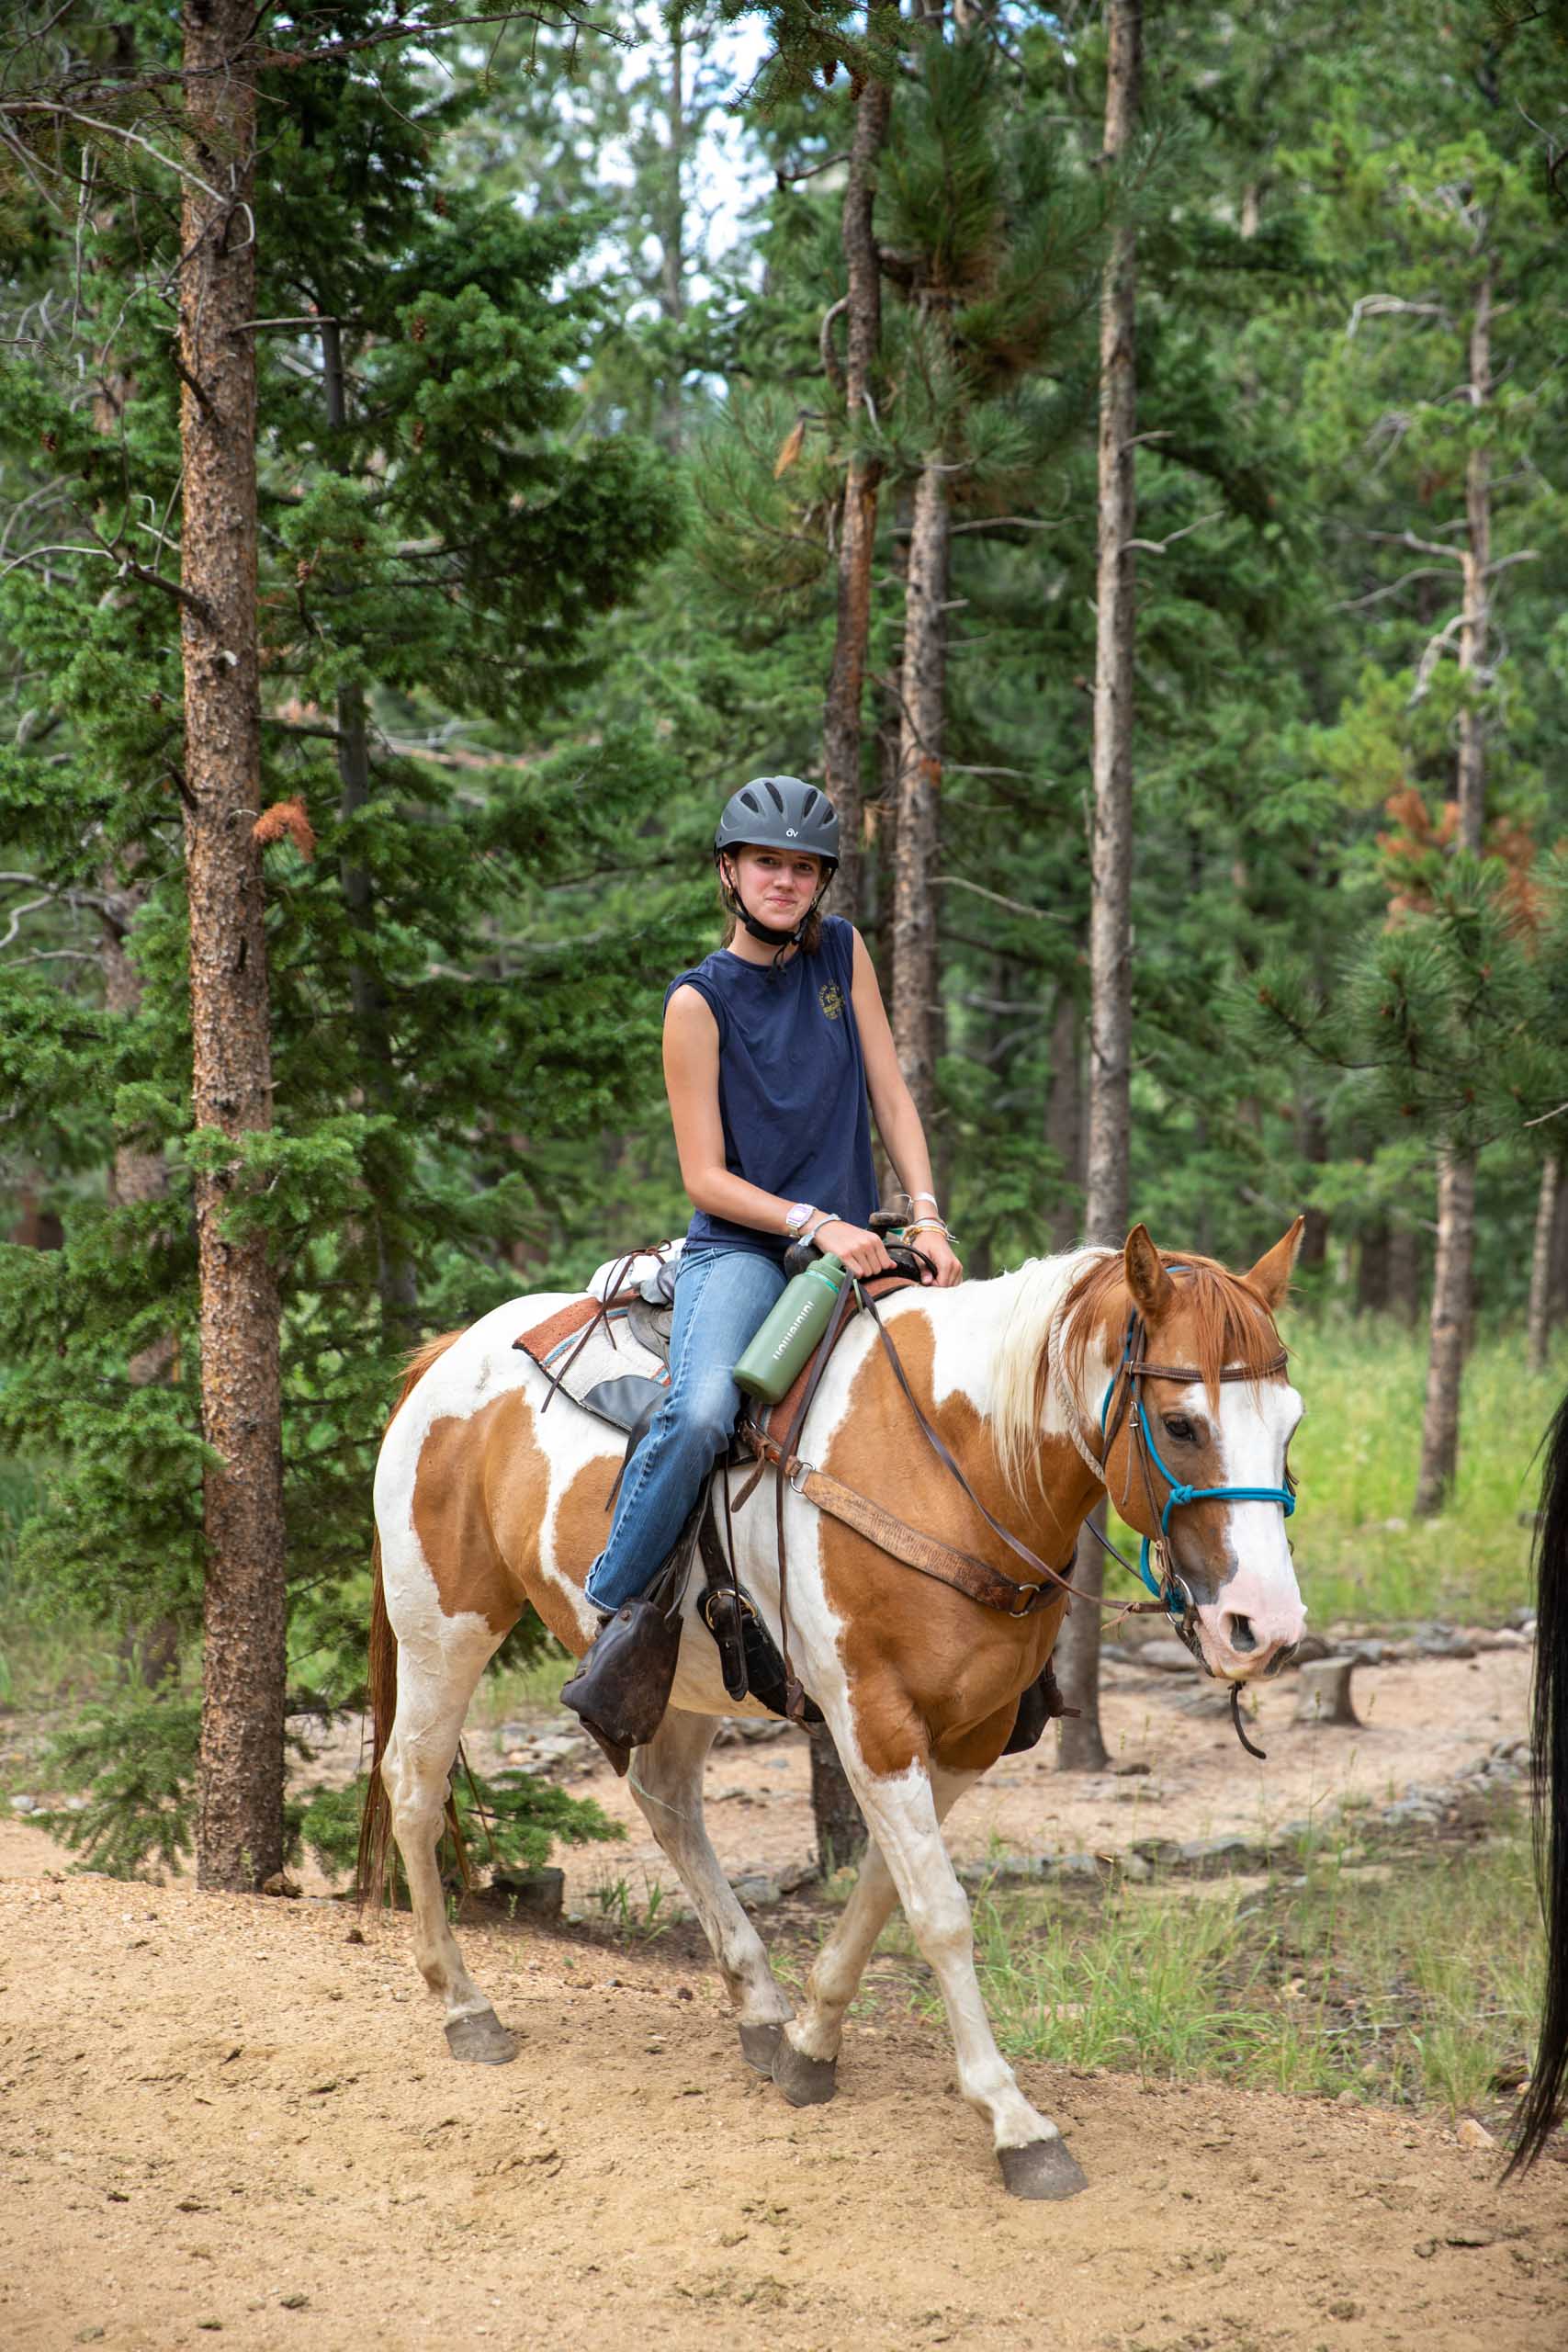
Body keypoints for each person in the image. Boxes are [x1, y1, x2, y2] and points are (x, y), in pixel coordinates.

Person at [561, 775, 962, 1753]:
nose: (785, 880)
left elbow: (892, 1097)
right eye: (767, 862)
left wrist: (930, 1216)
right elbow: (705, 1174)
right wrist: (814, 1221)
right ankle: (612, 1606)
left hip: (860, 1241)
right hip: (746, 1247)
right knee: (702, 1410)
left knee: (968, 1393)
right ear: (730, 872)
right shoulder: (697, 1002)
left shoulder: (842, 952)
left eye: (803, 866)